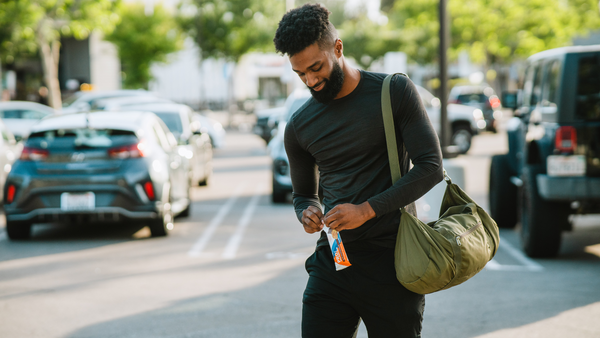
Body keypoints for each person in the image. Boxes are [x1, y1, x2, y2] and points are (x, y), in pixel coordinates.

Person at [273, 4, 444, 338]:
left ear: (337, 48)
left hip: (393, 262)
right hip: (334, 259)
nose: (310, 80)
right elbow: (303, 194)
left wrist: (366, 210)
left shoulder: (393, 91)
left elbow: (431, 167)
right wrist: (306, 211)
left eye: (316, 67)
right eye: (300, 74)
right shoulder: (299, 126)